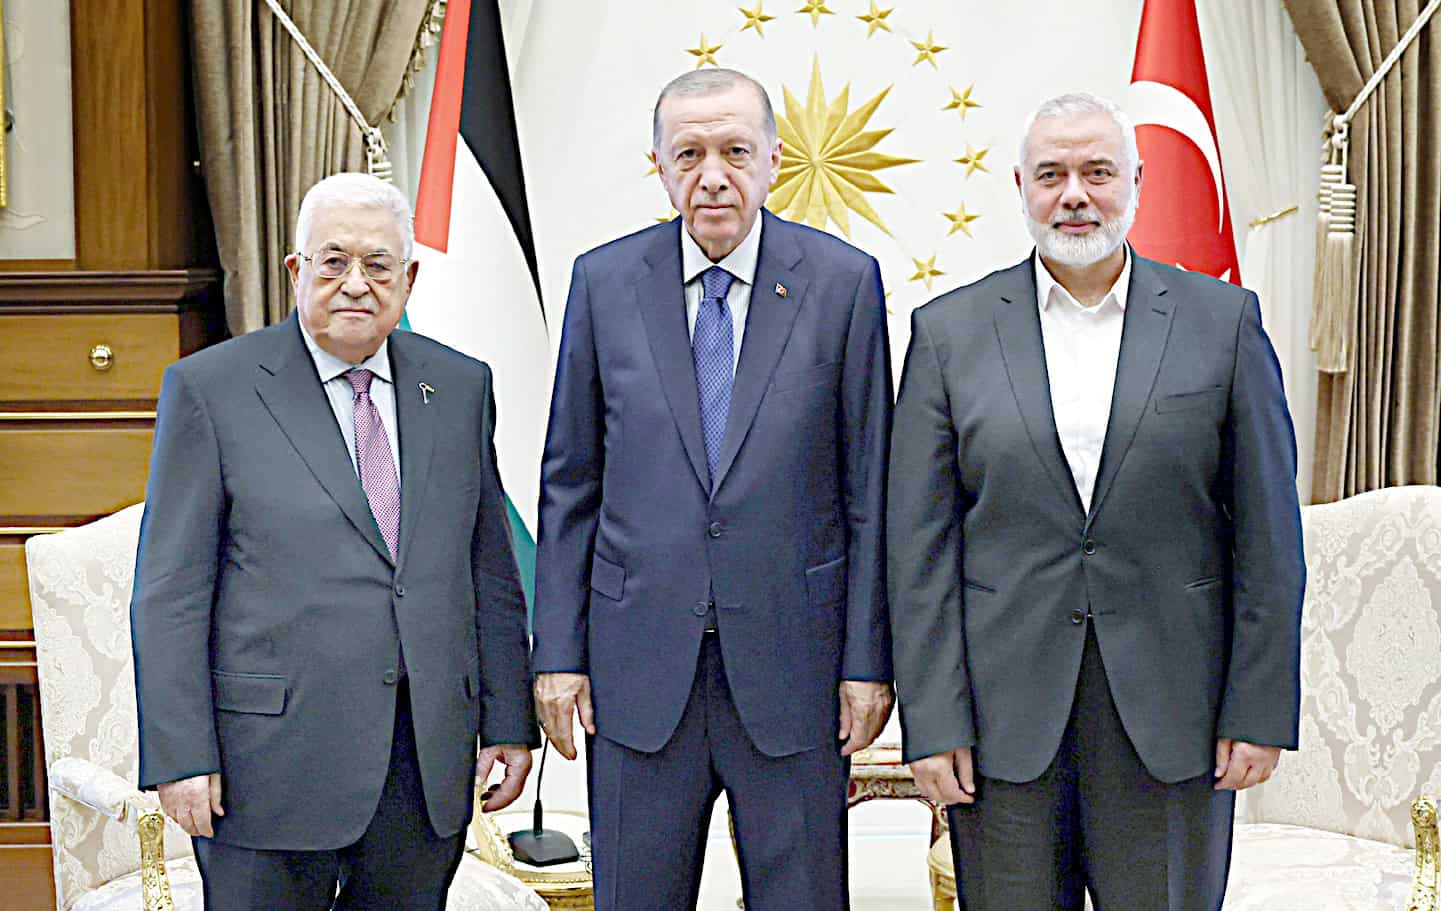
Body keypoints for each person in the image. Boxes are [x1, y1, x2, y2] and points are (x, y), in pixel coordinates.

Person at [887, 92, 1305, 909]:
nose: (1074, 194)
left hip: (1173, 721)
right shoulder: (946, 332)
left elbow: (1267, 537)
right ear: (1020, 187)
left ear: (1136, 183)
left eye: (1097, 172)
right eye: (1051, 174)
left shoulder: (1220, 322)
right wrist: (932, 721)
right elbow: (918, 549)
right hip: (1000, 731)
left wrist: (1258, 708)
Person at [531, 68, 894, 910]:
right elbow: (570, 481)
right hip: (637, 671)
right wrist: (558, 655)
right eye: (688, 154)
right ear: (658, 166)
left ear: (773, 160)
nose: (713, 176)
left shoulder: (842, 283)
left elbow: (870, 489)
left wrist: (868, 662)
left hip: (795, 670)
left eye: (734, 151)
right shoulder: (604, 282)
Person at [131, 172, 538, 910]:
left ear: (409, 278)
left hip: (421, 763)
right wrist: (181, 755)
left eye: (378, 264)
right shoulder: (211, 389)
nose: (356, 283)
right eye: (333, 261)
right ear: (297, 270)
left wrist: (508, 721)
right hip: (264, 767)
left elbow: (488, 569)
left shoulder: (459, 386)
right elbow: (172, 590)